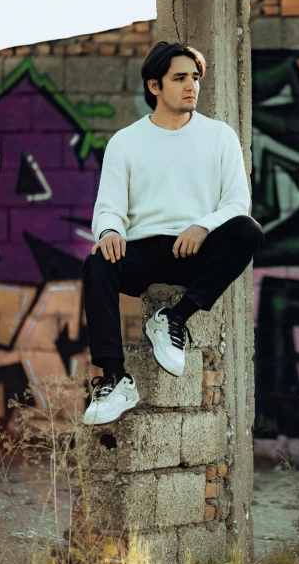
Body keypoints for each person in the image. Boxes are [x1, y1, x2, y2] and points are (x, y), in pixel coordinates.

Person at [81, 41, 264, 425]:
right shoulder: (126, 142)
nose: (191, 86)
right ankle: (114, 377)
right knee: (97, 262)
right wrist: (111, 230)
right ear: (154, 86)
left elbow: (236, 203)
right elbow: (108, 206)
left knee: (248, 231)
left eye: (194, 78)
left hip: (195, 250)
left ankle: (173, 319)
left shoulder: (219, 137)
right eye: (179, 78)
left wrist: (202, 225)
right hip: (144, 253)